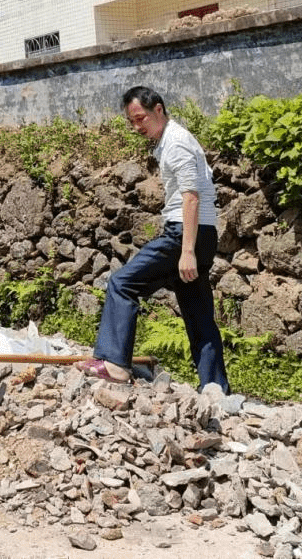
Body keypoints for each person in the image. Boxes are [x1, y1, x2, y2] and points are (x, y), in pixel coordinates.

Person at [75, 85, 230, 392]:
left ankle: (115, 364)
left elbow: (191, 198)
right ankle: (215, 389)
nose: (137, 126)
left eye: (141, 118)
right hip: (201, 234)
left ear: (158, 109)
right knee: (198, 313)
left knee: (123, 284)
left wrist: (187, 251)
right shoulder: (171, 141)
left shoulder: (177, 142)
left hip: (185, 234)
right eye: (132, 121)